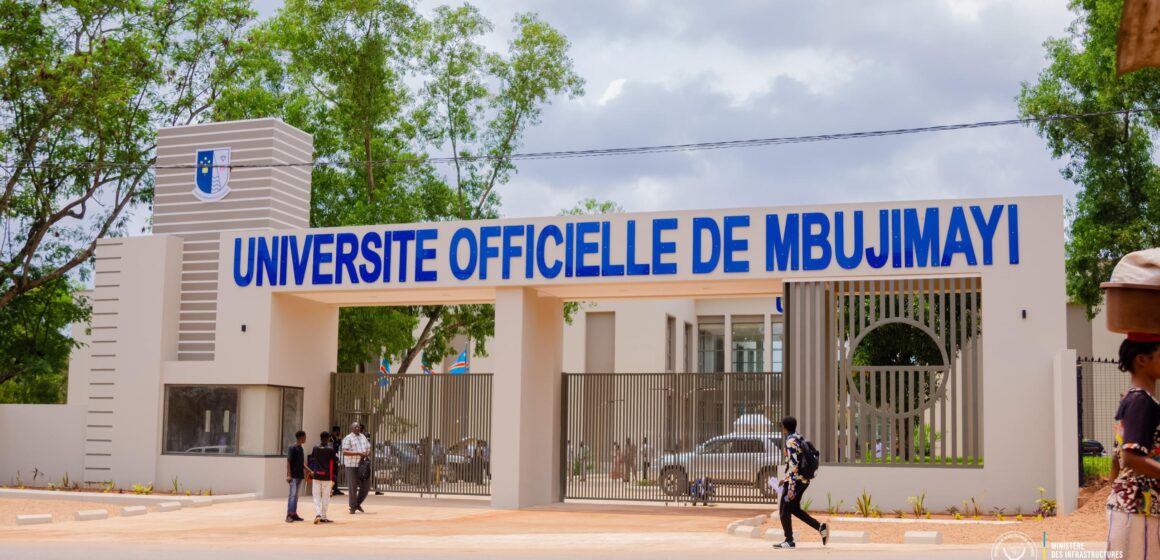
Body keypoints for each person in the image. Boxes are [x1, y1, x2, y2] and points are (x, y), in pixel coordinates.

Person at [1106, 333, 1160, 556]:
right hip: (1138, 509)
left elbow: (1116, 459)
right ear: (1141, 359)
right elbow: (1129, 456)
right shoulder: (1140, 401)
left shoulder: (1134, 398)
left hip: (1134, 509)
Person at [774, 416, 828, 549]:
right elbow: (795, 463)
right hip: (803, 480)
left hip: (796, 481)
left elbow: (793, 465)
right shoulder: (799, 437)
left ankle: (789, 540)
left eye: (782, 426)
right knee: (795, 509)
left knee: (784, 509)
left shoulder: (790, 441)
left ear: (785, 427)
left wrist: (791, 488)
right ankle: (820, 527)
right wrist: (785, 479)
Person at [341, 422, 371, 514]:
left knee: (366, 485)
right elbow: (344, 452)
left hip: (362, 465)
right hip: (351, 465)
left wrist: (367, 453)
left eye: (358, 426)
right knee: (353, 487)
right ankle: (352, 507)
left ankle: (357, 503)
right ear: (352, 428)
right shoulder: (348, 438)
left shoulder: (363, 437)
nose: (357, 428)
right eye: (355, 426)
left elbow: (368, 447)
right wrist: (358, 453)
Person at [310, 431, 337, 524]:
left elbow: (312, 458)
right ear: (329, 438)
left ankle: (318, 514)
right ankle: (324, 516)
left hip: (316, 475)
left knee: (316, 496)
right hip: (327, 476)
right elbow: (336, 461)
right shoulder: (330, 449)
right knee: (325, 497)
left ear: (320, 437)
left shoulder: (315, 448)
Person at [285, 430, 307, 523]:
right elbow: (288, 461)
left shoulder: (301, 448)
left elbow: (302, 463)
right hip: (293, 476)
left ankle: (294, 514)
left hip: (300, 475)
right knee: (292, 495)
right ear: (301, 437)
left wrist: (309, 470)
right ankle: (289, 515)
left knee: (296, 496)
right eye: (304, 437)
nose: (305, 439)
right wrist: (289, 475)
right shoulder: (292, 448)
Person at [330, 425, 344, 497]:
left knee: (335, 473)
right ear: (335, 431)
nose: (339, 433)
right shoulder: (330, 439)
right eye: (338, 432)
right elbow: (332, 450)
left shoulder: (335, 438)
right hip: (332, 459)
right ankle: (332, 489)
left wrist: (339, 439)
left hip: (335, 458)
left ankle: (335, 488)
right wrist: (336, 459)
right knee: (333, 474)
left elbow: (338, 446)